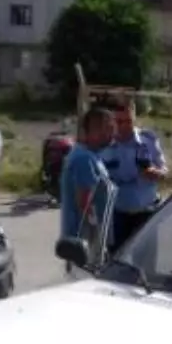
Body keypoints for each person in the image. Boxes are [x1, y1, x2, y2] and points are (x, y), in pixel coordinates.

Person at [100, 96, 167, 252]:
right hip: (117, 216)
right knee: (117, 261)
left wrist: (154, 173)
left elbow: (164, 172)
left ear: (134, 118)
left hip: (146, 213)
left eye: (128, 121)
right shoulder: (104, 145)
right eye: (119, 122)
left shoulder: (148, 140)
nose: (124, 126)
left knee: (146, 260)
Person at [60, 106, 117, 267]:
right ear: (95, 130)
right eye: (110, 128)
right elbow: (85, 204)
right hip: (84, 245)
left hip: (87, 243)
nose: (113, 133)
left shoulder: (92, 156)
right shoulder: (83, 159)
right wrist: (97, 241)